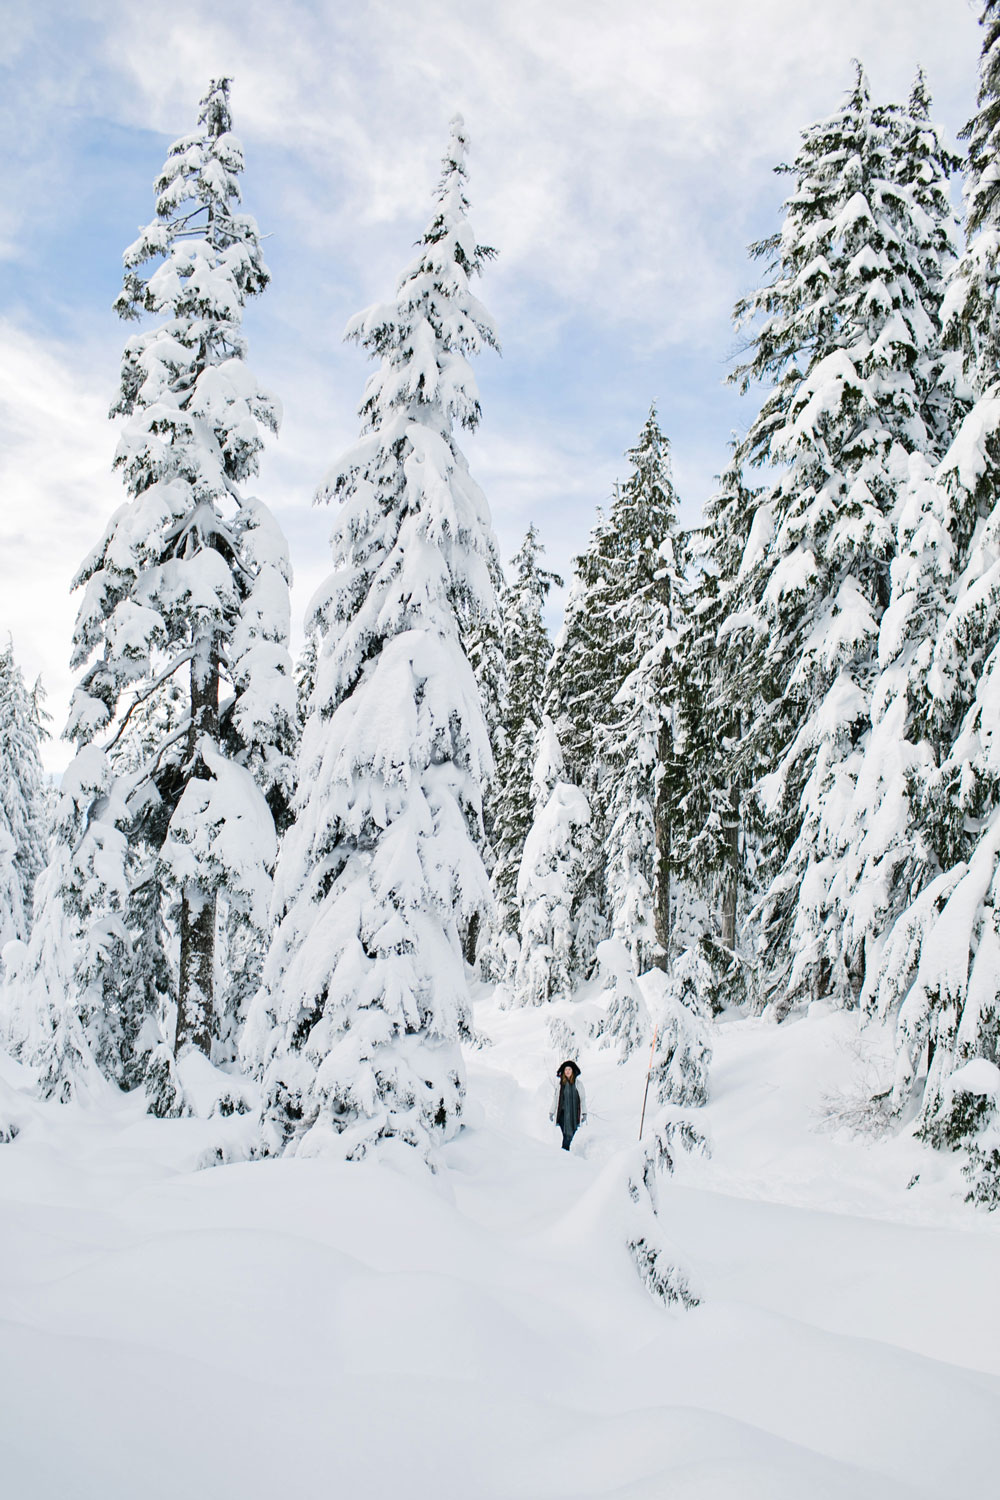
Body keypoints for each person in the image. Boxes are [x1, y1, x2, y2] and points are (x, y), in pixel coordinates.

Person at [550, 1060, 586, 1151]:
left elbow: (582, 1099)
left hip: (574, 1114)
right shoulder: (560, 1085)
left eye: (569, 1069)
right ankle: (564, 1152)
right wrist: (551, 1111)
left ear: (573, 1071)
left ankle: (564, 1153)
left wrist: (584, 1113)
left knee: (570, 1134)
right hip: (563, 1114)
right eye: (566, 1070)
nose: (567, 1071)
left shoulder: (579, 1084)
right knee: (567, 1135)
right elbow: (556, 1099)